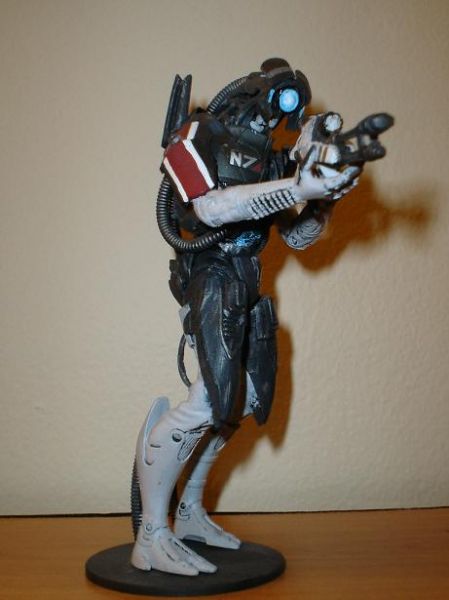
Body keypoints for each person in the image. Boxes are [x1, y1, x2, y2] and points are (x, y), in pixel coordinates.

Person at [131, 58, 375, 575]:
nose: (282, 112)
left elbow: (298, 237)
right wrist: (299, 188)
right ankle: (151, 533)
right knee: (206, 402)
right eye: (282, 97)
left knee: (243, 400)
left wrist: (325, 197)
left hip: (246, 279)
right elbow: (209, 209)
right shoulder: (202, 133)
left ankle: (189, 512)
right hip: (210, 276)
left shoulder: (272, 160)